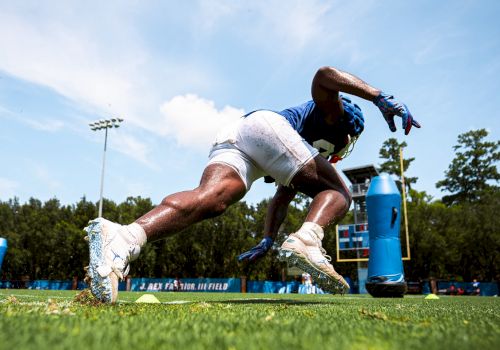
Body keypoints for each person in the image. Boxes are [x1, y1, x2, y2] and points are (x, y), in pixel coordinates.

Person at [84, 66, 421, 303]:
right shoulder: (337, 116)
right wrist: (379, 97)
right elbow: (323, 76)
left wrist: (268, 237)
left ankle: (124, 238)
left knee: (210, 200)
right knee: (339, 193)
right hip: (267, 129)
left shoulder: (302, 148)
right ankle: (308, 241)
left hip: (241, 136)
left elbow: (282, 195)